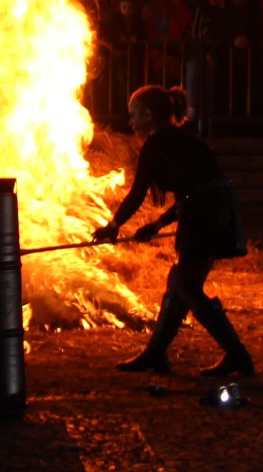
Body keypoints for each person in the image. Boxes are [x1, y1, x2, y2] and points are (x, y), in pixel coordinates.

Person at [95, 84, 253, 380]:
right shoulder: (182, 140)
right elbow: (192, 193)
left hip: (206, 213)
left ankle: (237, 355)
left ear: (150, 115)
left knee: (187, 286)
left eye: (134, 115)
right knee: (179, 280)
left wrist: (113, 227)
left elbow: (138, 192)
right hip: (213, 207)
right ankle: (156, 353)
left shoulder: (158, 144)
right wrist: (157, 225)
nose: (130, 123)